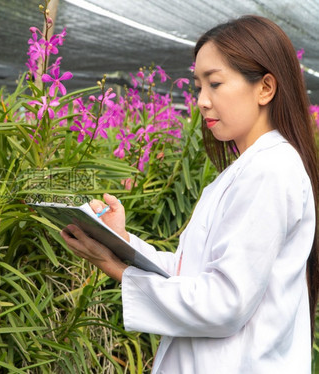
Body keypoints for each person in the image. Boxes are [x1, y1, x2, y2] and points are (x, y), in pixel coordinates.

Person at [60, 15, 319, 373]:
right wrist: (121, 242)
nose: (201, 101)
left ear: (265, 88)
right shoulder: (248, 169)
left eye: (215, 83)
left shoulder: (270, 171)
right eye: (198, 86)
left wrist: (116, 267)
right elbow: (194, 274)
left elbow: (225, 303)